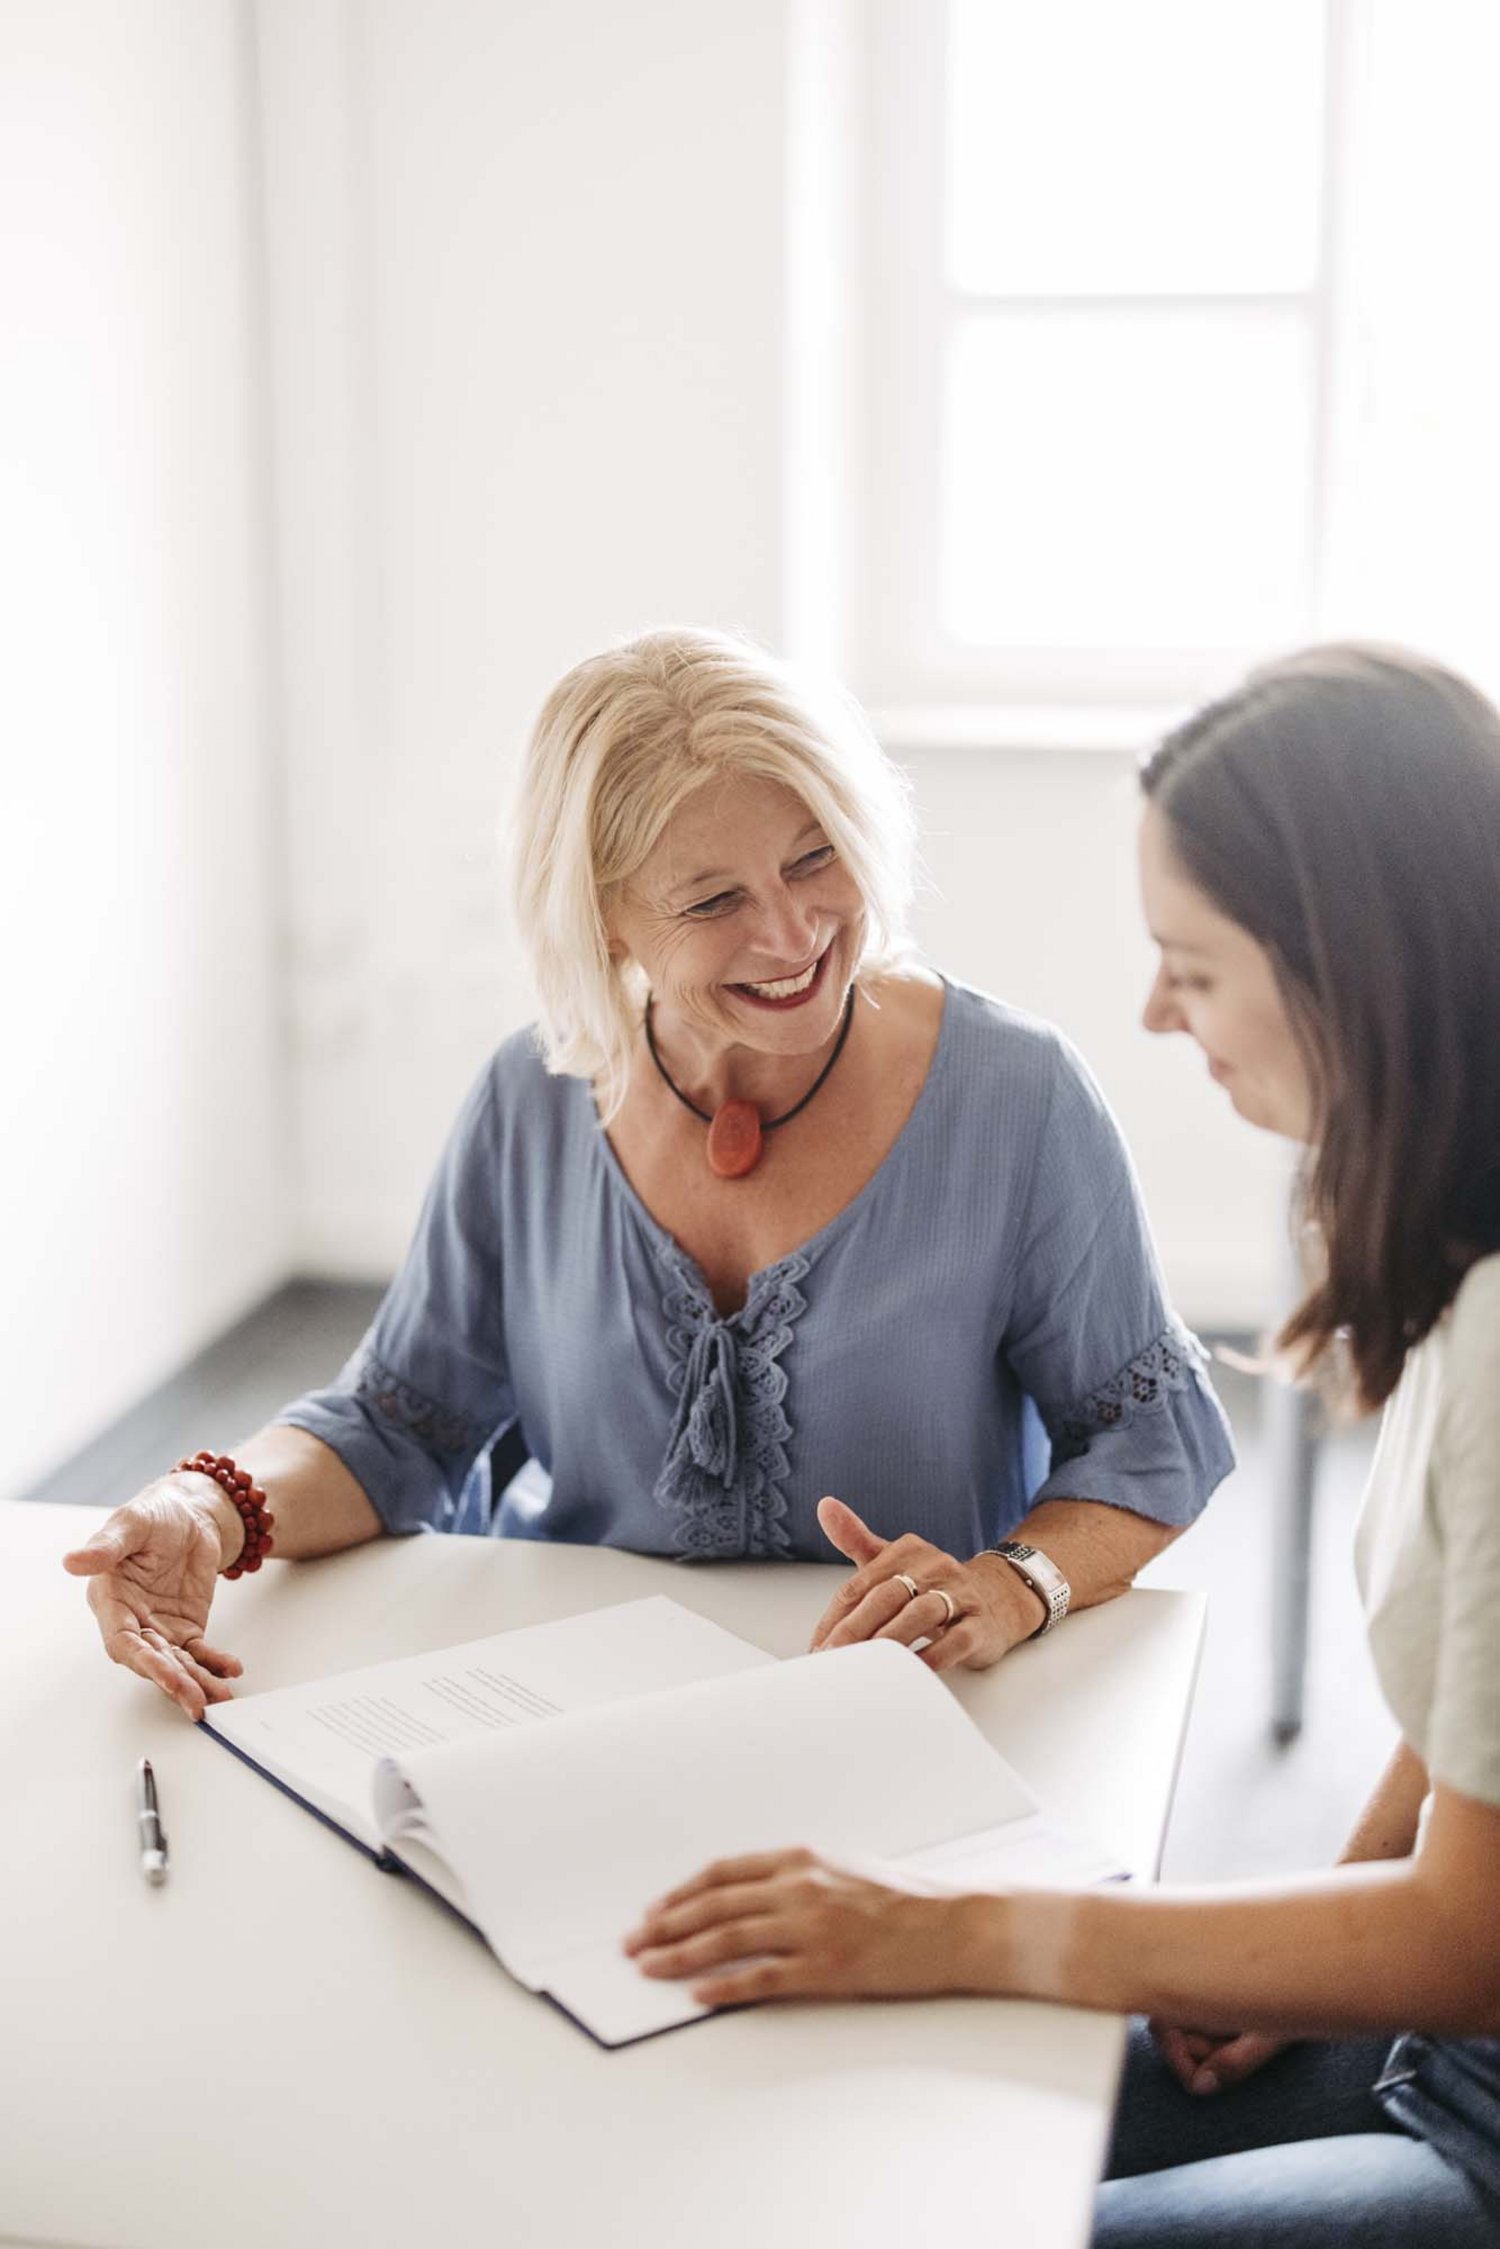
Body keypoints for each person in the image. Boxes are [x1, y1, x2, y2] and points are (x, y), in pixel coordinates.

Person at [624, 644, 1500, 2246]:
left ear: (1352, 969)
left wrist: (968, 1926)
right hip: (1448, 2026)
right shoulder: (1459, 1259)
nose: (1160, 1010)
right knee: (887, 2133)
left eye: (1195, 962)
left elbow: (1473, 1938)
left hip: (1484, 2103)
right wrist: (1270, 1962)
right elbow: (1478, 1743)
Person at [64, 626, 1231, 1721]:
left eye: (814, 856)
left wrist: (1017, 1580)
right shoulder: (531, 1100)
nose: (792, 934)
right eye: (714, 899)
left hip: (911, 1703)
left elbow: (1149, 1442)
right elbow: (396, 1422)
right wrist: (207, 1505)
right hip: (571, 1698)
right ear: (605, 920)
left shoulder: (1016, 1097)